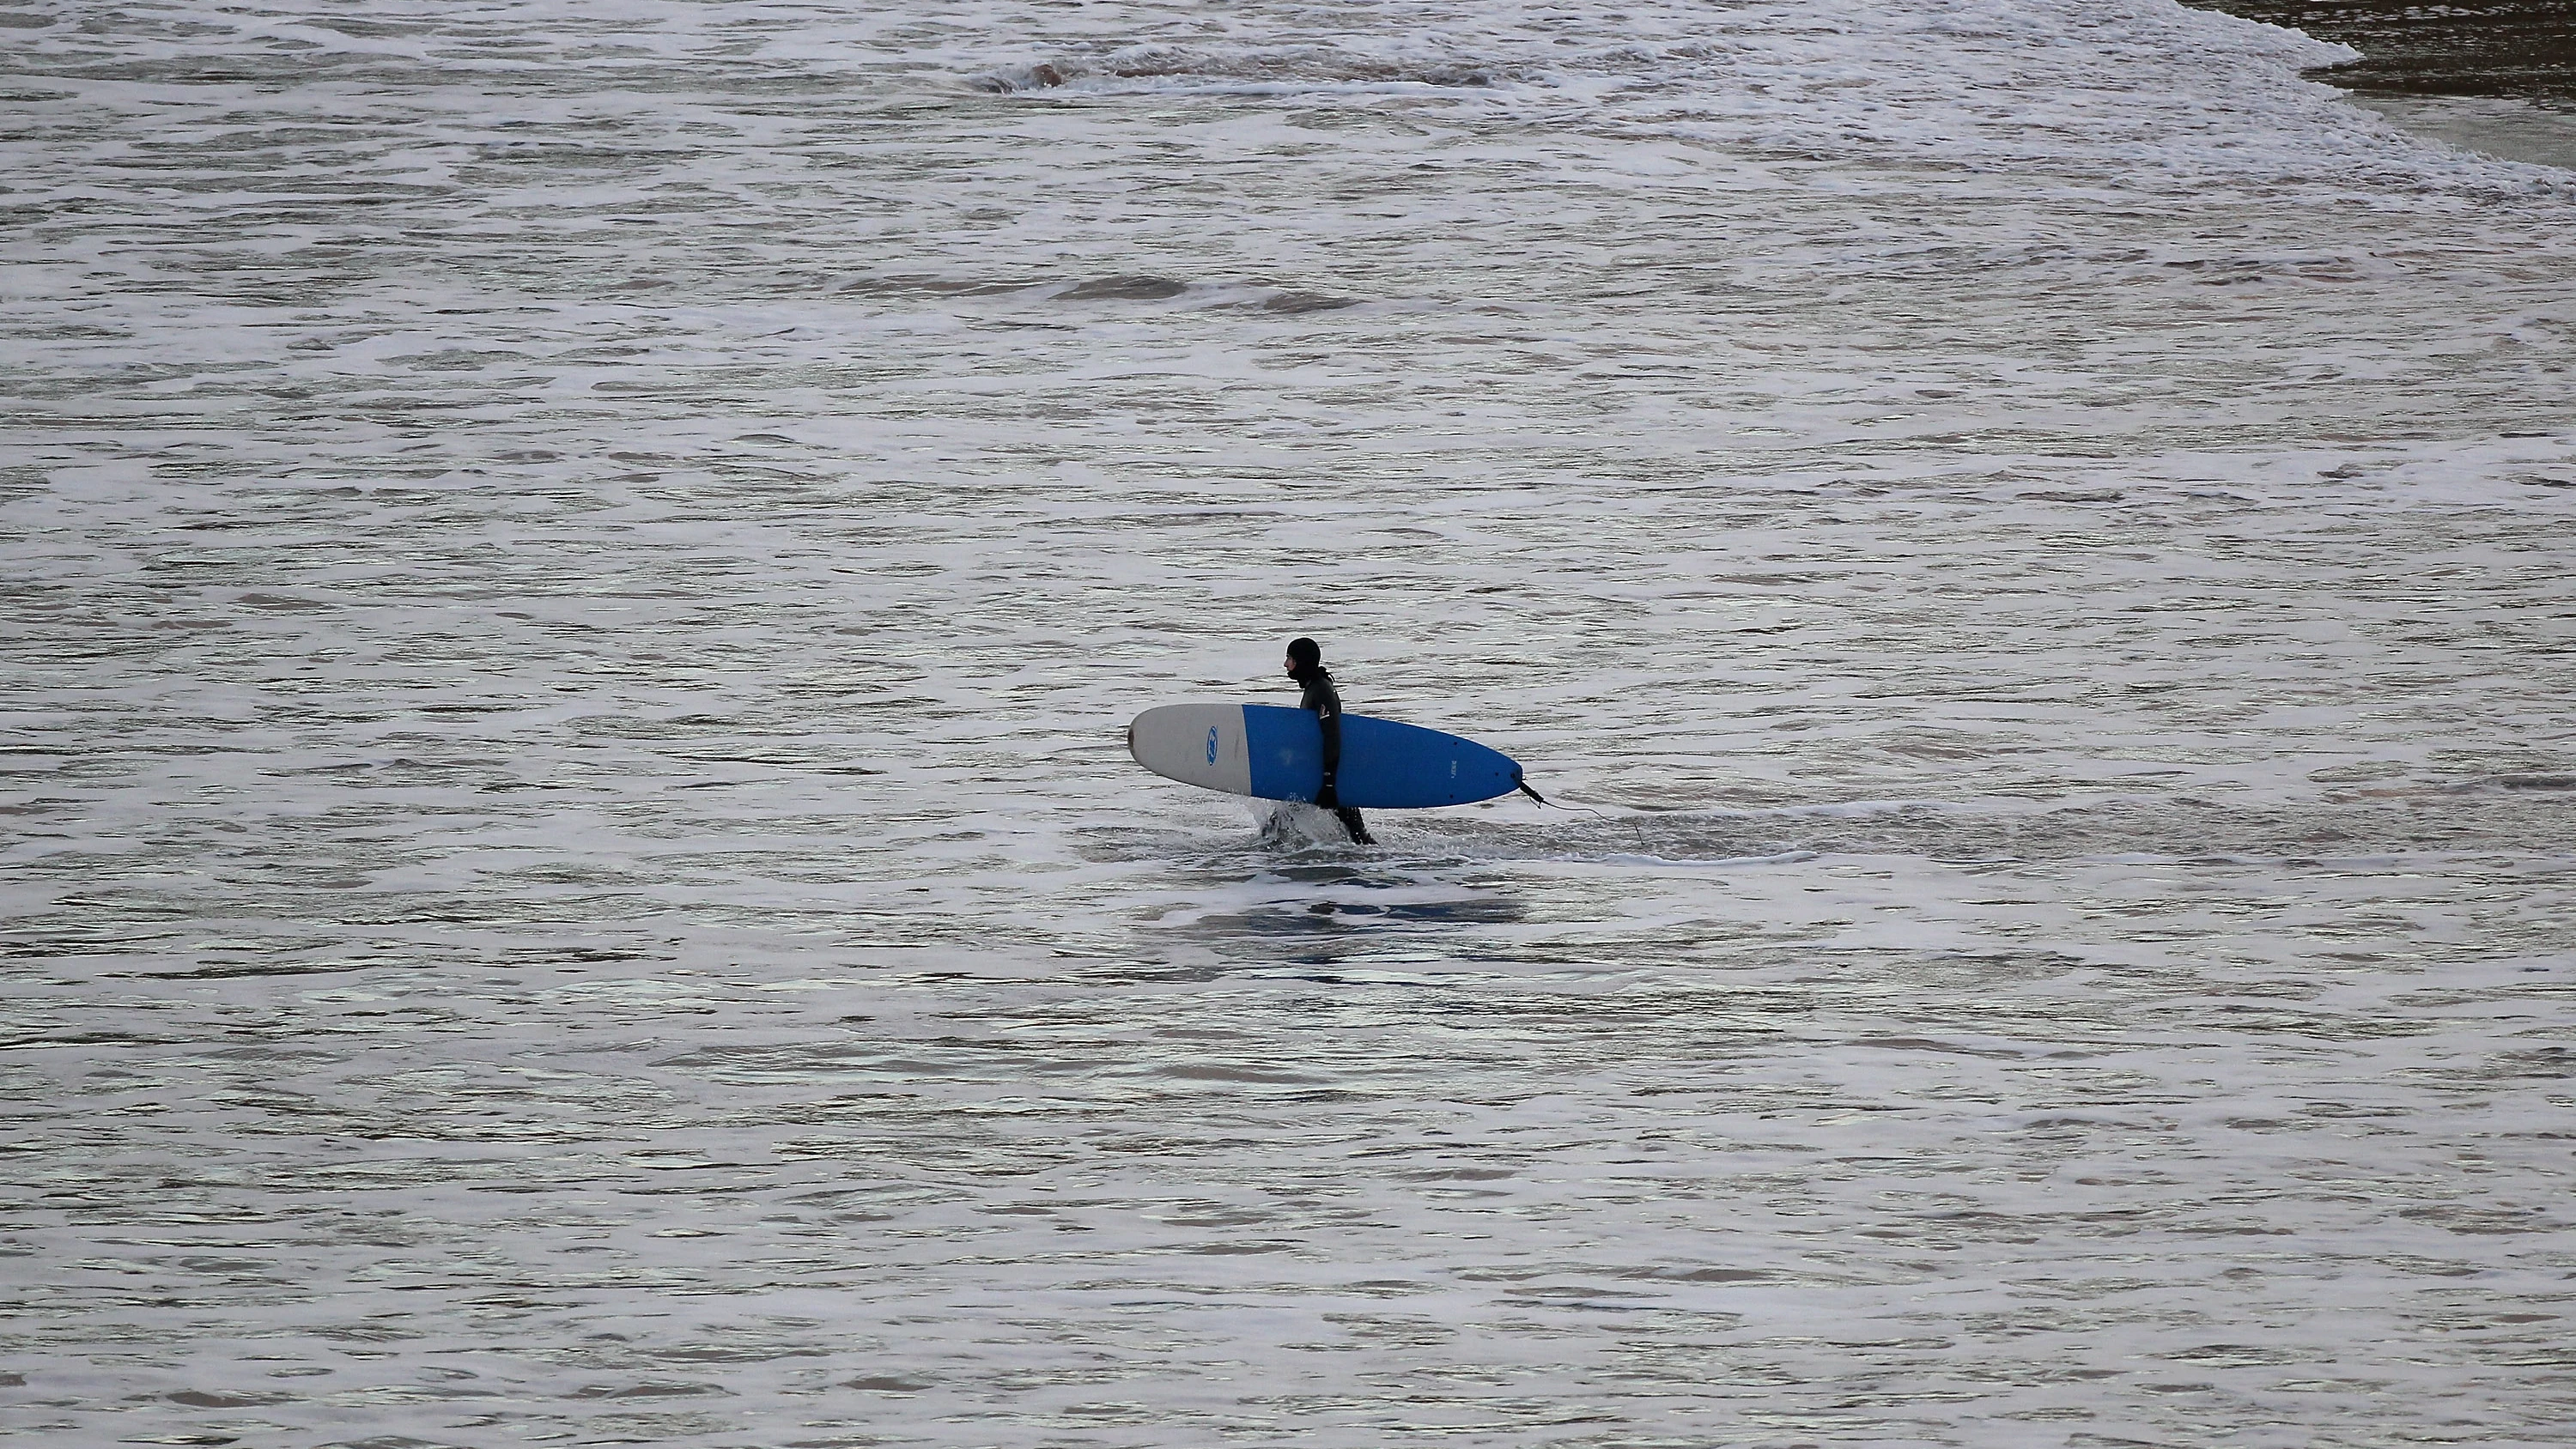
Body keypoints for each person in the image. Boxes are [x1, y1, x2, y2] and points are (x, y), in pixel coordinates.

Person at [1285, 636, 1374, 845]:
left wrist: (1328, 783)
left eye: (1289, 658)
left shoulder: (1321, 690)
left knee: (1358, 836)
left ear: (1302, 661)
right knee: (1356, 835)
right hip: (1320, 774)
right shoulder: (1313, 688)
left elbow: (1332, 735)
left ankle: (1384, 866)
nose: (1286, 664)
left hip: (1329, 777)